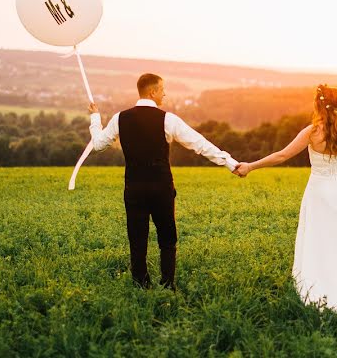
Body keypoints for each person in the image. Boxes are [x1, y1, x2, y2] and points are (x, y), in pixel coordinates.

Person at [234, 84, 337, 311]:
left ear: (318, 105)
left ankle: (321, 284)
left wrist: (250, 166)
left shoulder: (312, 132)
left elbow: (282, 155)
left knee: (320, 239)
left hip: (319, 191)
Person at [89, 73, 239, 290]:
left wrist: (95, 118)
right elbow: (200, 144)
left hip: (134, 188)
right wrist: (230, 164)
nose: (165, 93)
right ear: (152, 92)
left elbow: (98, 145)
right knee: (168, 238)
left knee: (137, 238)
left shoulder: (119, 118)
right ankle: (168, 284)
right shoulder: (168, 119)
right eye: (162, 89)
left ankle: (141, 285)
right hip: (161, 189)